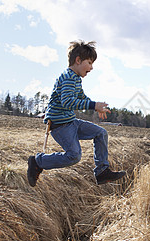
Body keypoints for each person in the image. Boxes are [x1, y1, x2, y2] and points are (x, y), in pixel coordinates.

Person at [27, 40, 125, 187]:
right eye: (90, 63)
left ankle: (102, 171)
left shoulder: (76, 78)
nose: (91, 68)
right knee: (74, 156)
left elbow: (81, 97)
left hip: (72, 122)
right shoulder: (67, 77)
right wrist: (93, 105)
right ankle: (38, 162)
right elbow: (67, 102)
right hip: (60, 126)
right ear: (78, 60)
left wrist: (96, 106)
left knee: (101, 133)